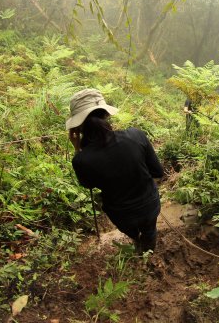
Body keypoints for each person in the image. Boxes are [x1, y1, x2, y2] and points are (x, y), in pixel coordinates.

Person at [66, 88, 163, 252]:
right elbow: (158, 172)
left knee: (133, 233)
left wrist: (78, 150)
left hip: (122, 216)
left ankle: (137, 242)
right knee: (149, 231)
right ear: (106, 114)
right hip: (150, 205)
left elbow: (88, 185)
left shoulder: (82, 160)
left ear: (78, 128)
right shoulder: (136, 135)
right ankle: (147, 252)